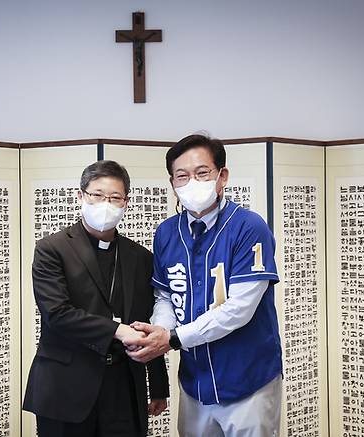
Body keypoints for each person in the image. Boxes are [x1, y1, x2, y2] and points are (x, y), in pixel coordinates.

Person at [124, 133, 282, 437]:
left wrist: (171, 339)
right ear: (172, 183)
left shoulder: (249, 227)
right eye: (182, 176)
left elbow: (239, 309)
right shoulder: (167, 233)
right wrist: (160, 330)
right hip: (195, 383)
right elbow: (165, 296)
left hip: (248, 380)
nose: (192, 182)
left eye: (202, 173)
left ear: (222, 176)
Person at [23, 160, 169, 437]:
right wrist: (118, 330)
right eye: (98, 195)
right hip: (66, 386)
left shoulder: (140, 257)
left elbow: (148, 321)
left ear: (126, 203)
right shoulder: (52, 249)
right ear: (81, 196)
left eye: (115, 197)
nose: (106, 204)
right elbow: (57, 313)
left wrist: (158, 385)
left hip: (124, 387)